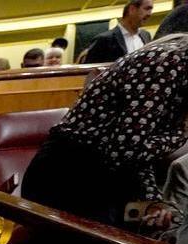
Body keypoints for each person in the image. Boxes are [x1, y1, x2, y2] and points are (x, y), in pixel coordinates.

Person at [22, 34, 188, 232]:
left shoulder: (176, 68)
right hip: (69, 175)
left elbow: (138, 148)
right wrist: (181, 133)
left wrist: (152, 200)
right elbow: (126, 149)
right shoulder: (168, 63)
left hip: (96, 179)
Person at [82, 0, 153, 63]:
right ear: (132, 9)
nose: (150, 14)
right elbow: (89, 73)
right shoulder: (104, 39)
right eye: (147, 8)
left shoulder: (146, 35)